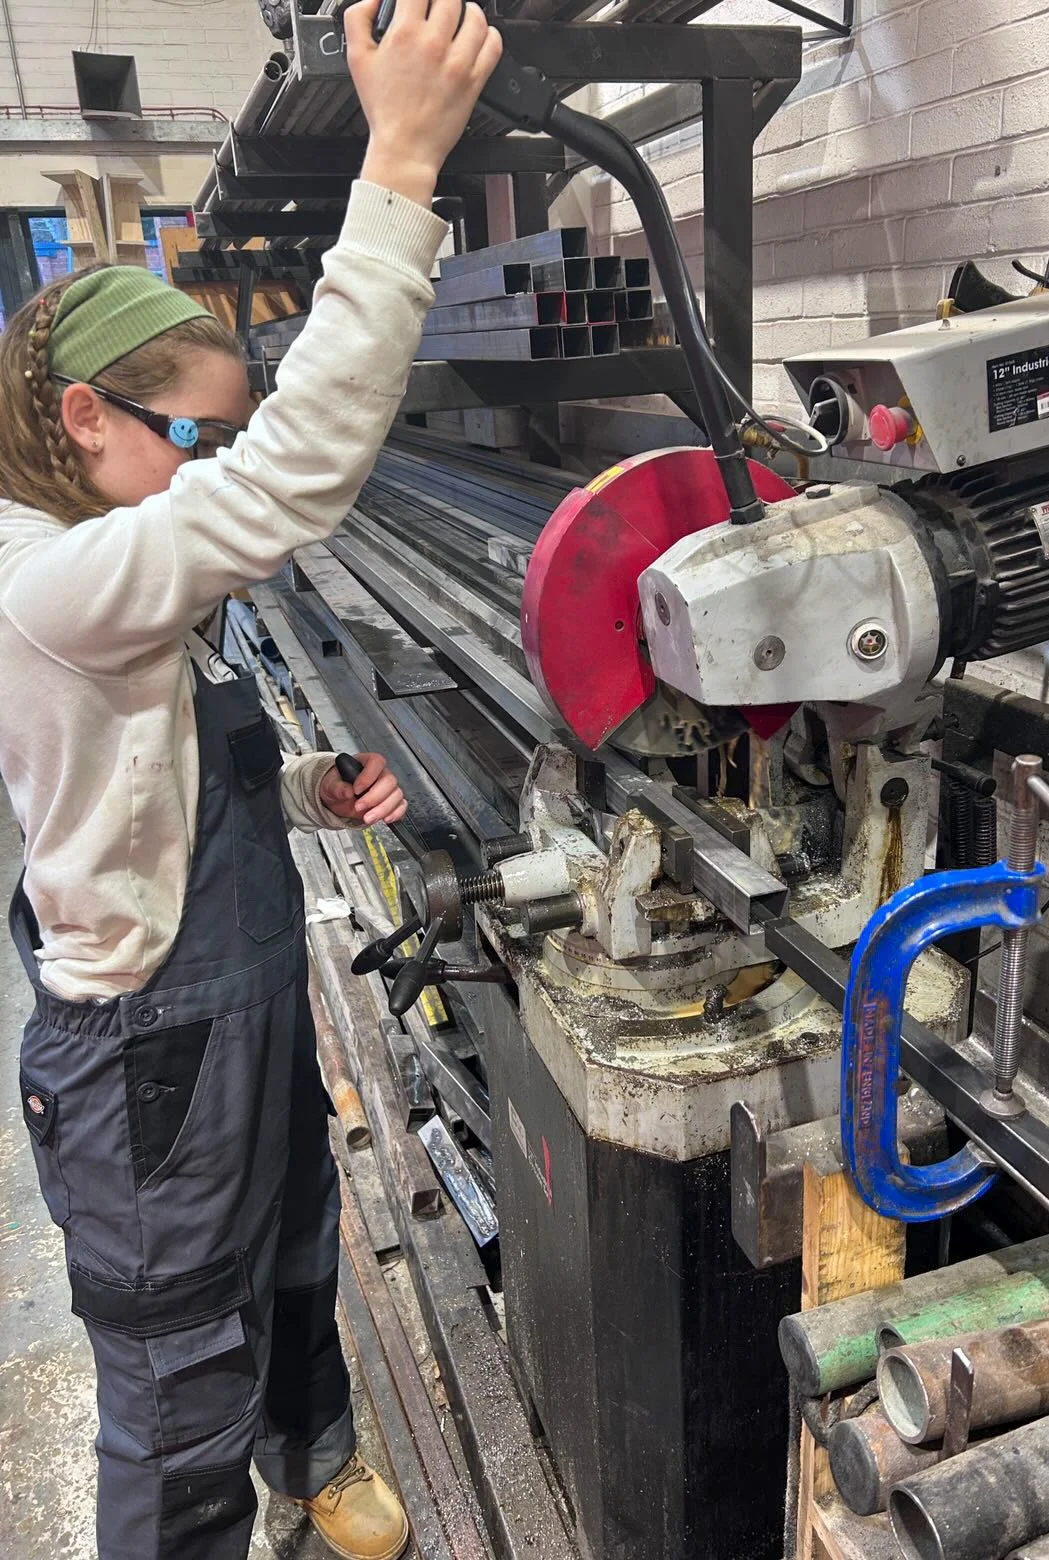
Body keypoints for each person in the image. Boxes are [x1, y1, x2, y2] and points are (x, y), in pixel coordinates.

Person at [0, 1, 502, 1555]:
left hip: (238, 978)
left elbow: (123, 775)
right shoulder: (49, 581)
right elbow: (293, 480)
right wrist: (402, 163)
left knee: (293, 1253)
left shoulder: (96, 550)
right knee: (173, 1362)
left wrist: (292, 795)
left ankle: (317, 1461)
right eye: (184, 438)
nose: (206, 470)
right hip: (148, 1044)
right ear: (83, 415)